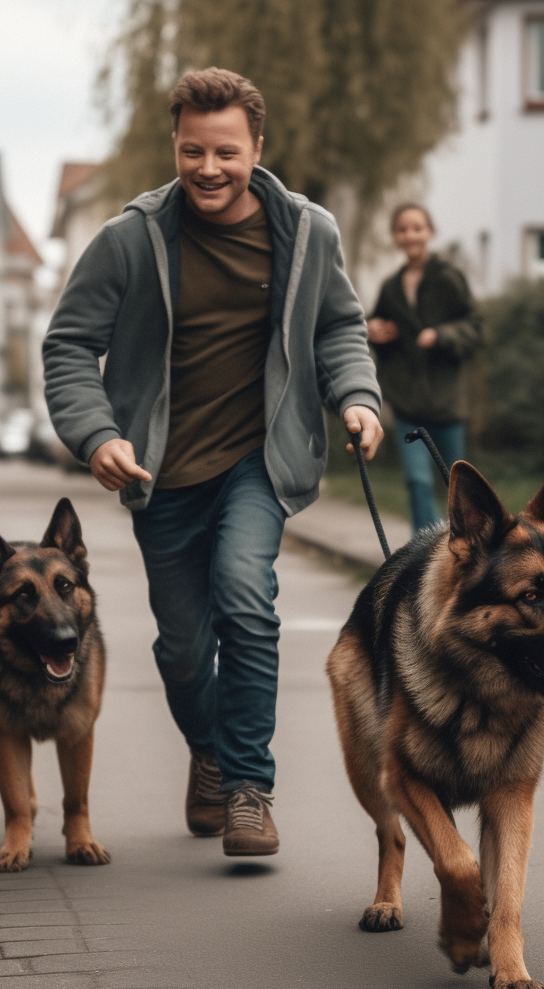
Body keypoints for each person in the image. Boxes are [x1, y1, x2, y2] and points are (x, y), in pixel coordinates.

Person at [43, 67, 382, 858]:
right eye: (192, 151)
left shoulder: (307, 231)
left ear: (257, 147)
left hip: (259, 460)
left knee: (244, 592)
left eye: (225, 152)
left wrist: (356, 397)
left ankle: (248, 790)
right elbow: (68, 347)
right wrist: (99, 437)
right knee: (186, 646)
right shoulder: (131, 240)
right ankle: (209, 750)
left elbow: (339, 326)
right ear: (176, 145)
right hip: (158, 472)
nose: (208, 169)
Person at [367, 204, 483, 533]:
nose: (410, 235)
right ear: (395, 237)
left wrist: (442, 335)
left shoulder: (448, 278)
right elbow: (382, 331)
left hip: (446, 403)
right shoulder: (390, 287)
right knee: (417, 482)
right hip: (406, 403)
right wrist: (377, 332)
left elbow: (475, 327)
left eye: (417, 227)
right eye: (403, 229)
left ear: (429, 232)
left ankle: (466, 556)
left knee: (456, 488)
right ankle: (425, 558)